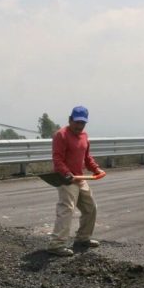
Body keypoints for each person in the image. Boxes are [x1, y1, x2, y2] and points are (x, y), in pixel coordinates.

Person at [47, 106, 105, 257]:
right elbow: (57, 159)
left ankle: (83, 238)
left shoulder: (84, 136)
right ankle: (57, 244)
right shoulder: (61, 135)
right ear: (70, 119)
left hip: (80, 178)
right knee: (67, 209)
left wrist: (96, 169)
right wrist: (67, 173)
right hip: (66, 179)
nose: (80, 126)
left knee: (90, 207)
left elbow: (87, 157)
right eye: (77, 122)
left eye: (83, 123)